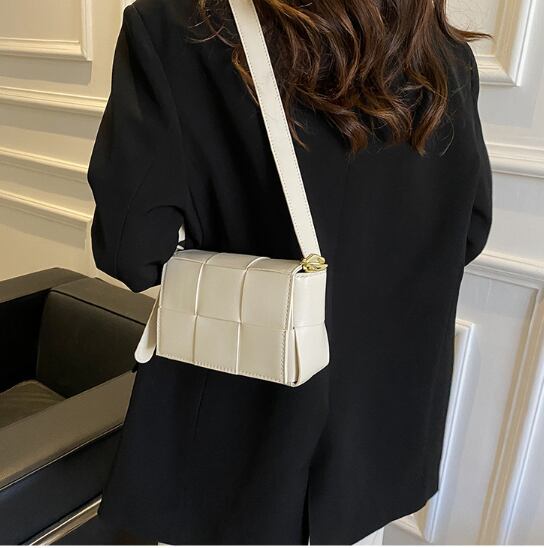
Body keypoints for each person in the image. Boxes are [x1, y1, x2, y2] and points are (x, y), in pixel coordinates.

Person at [87, 0, 493, 544]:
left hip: (236, 451)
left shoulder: (179, 27)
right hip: (378, 441)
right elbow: (470, 229)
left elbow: (131, 250)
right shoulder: (445, 56)